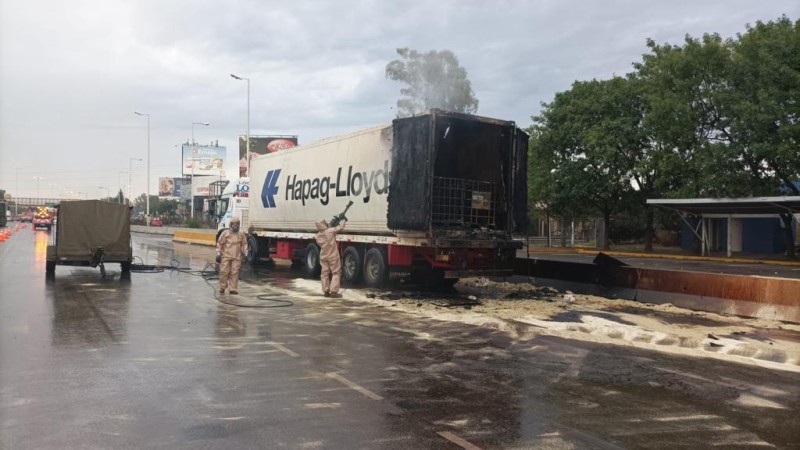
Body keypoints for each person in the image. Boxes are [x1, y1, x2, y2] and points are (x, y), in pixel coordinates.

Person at [315, 218, 347, 298]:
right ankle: (334, 292)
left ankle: (326, 291)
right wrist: (342, 221)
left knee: (324, 273)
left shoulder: (317, 236)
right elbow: (340, 227)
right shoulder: (330, 231)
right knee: (336, 272)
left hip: (323, 256)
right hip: (333, 255)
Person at [216, 217, 248, 295]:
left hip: (237, 257)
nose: (235, 225)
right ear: (231, 224)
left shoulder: (241, 234)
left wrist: (246, 254)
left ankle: (233, 289)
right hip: (226, 256)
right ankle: (222, 287)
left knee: (235, 273)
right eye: (234, 224)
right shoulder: (225, 233)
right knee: (224, 272)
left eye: (237, 224)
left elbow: (244, 244)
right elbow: (220, 243)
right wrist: (218, 254)